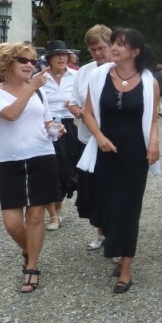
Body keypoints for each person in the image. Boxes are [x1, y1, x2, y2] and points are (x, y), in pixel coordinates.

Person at [77, 28, 160, 294]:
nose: (113, 48)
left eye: (120, 45)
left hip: (135, 154)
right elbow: (88, 113)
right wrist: (99, 137)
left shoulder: (150, 81)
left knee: (129, 210)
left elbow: (153, 120)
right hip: (105, 151)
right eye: (113, 43)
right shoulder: (99, 76)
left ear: (135, 51)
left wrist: (154, 142)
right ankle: (115, 246)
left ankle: (126, 268)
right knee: (107, 207)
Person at [0, 42, 61, 293]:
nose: (30, 65)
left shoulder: (39, 92)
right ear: (8, 63)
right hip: (10, 161)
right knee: (12, 222)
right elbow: (10, 115)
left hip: (41, 156)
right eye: (24, 60)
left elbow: (47, 121)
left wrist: (55, 129)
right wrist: (31, 88)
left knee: (36, 216)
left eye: (33, 61)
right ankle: (29, 250)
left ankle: (32, 266)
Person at [69, 24, 112, 251]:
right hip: (87, 140)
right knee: (91, 191)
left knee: (112, 189)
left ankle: (115, 233)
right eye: (93, 49)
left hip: (114, 139)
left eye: (101, 48)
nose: (97, 53)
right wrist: (78, 112)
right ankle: (101, 231)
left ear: (112, 45)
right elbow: (74, 103)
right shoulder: (84, 72)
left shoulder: (121, 69)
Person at [40, 40, 80, 230]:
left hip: (69, 126)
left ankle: (59, 199)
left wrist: (76, 106)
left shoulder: (77, 76)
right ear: (49, 59)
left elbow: (89, 100)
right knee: (48, 171)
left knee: (69, 170)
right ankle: (53, 216)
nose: (62, 58)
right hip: (46, 128)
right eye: (57, 55)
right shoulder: (39, 79)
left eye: (64, 54)